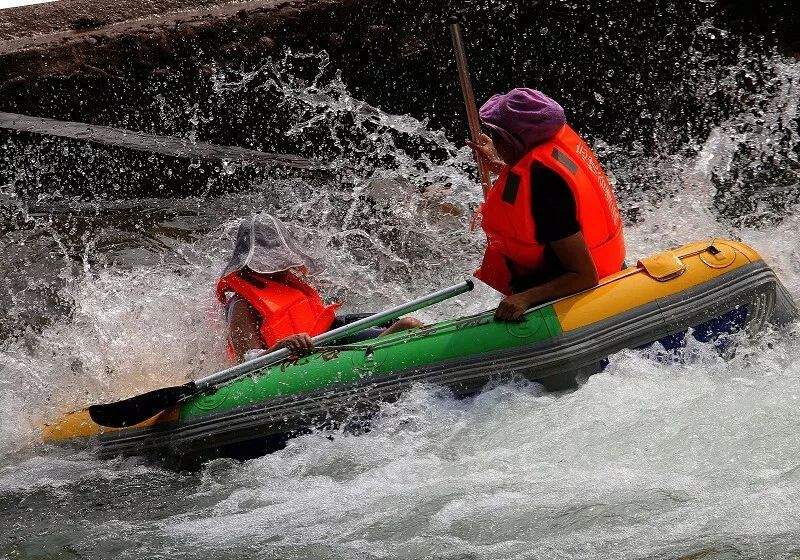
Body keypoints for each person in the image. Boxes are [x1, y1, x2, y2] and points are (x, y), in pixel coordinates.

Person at [468, 88, 626, 322]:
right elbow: (534, 195)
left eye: (497, 135)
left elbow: (584, 276)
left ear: (514, 141)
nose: (494, 140)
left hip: (579, 292)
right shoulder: (548, 150)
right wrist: (500, 163)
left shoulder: (545, 185)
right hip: (610, 267)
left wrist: (525, 298)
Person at [217, 214, 422, 362]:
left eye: (280, 258)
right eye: (269, 261)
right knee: (407, 325)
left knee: (400, 321)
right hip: (300, 359)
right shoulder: (241, 305)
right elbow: (247, 360)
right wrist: (282, 346)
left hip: (323, 339)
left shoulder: (286, 283)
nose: (280, 267)